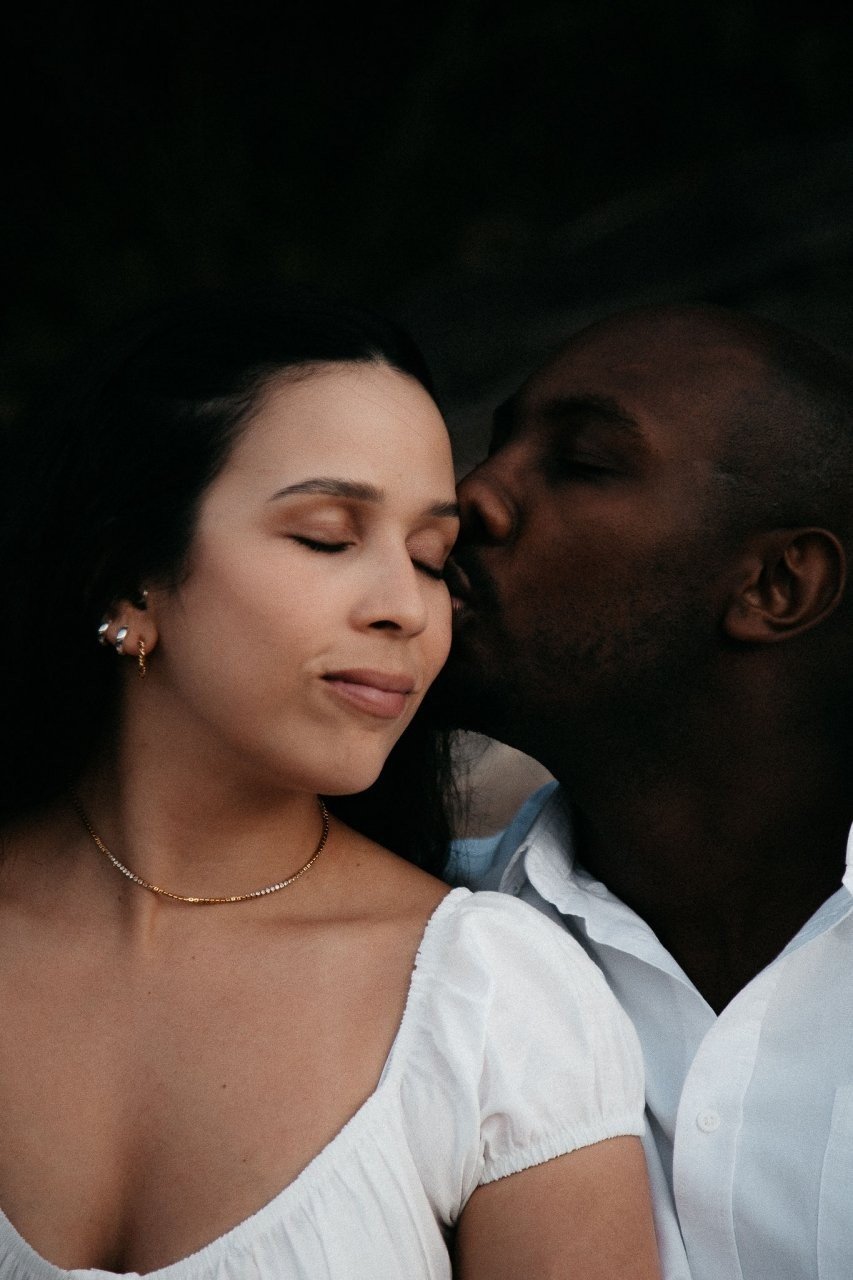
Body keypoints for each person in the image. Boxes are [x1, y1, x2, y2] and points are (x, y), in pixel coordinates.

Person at [0, 286, 660, 1280]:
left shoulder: (489, 1000)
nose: (407, 607)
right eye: (326, 536)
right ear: (130, 575)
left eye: (431, 557)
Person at [440, 301, 853, 1280]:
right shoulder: (427, 947)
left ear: (775, 585)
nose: (471, 496)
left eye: (582, 462)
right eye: (497, 446)